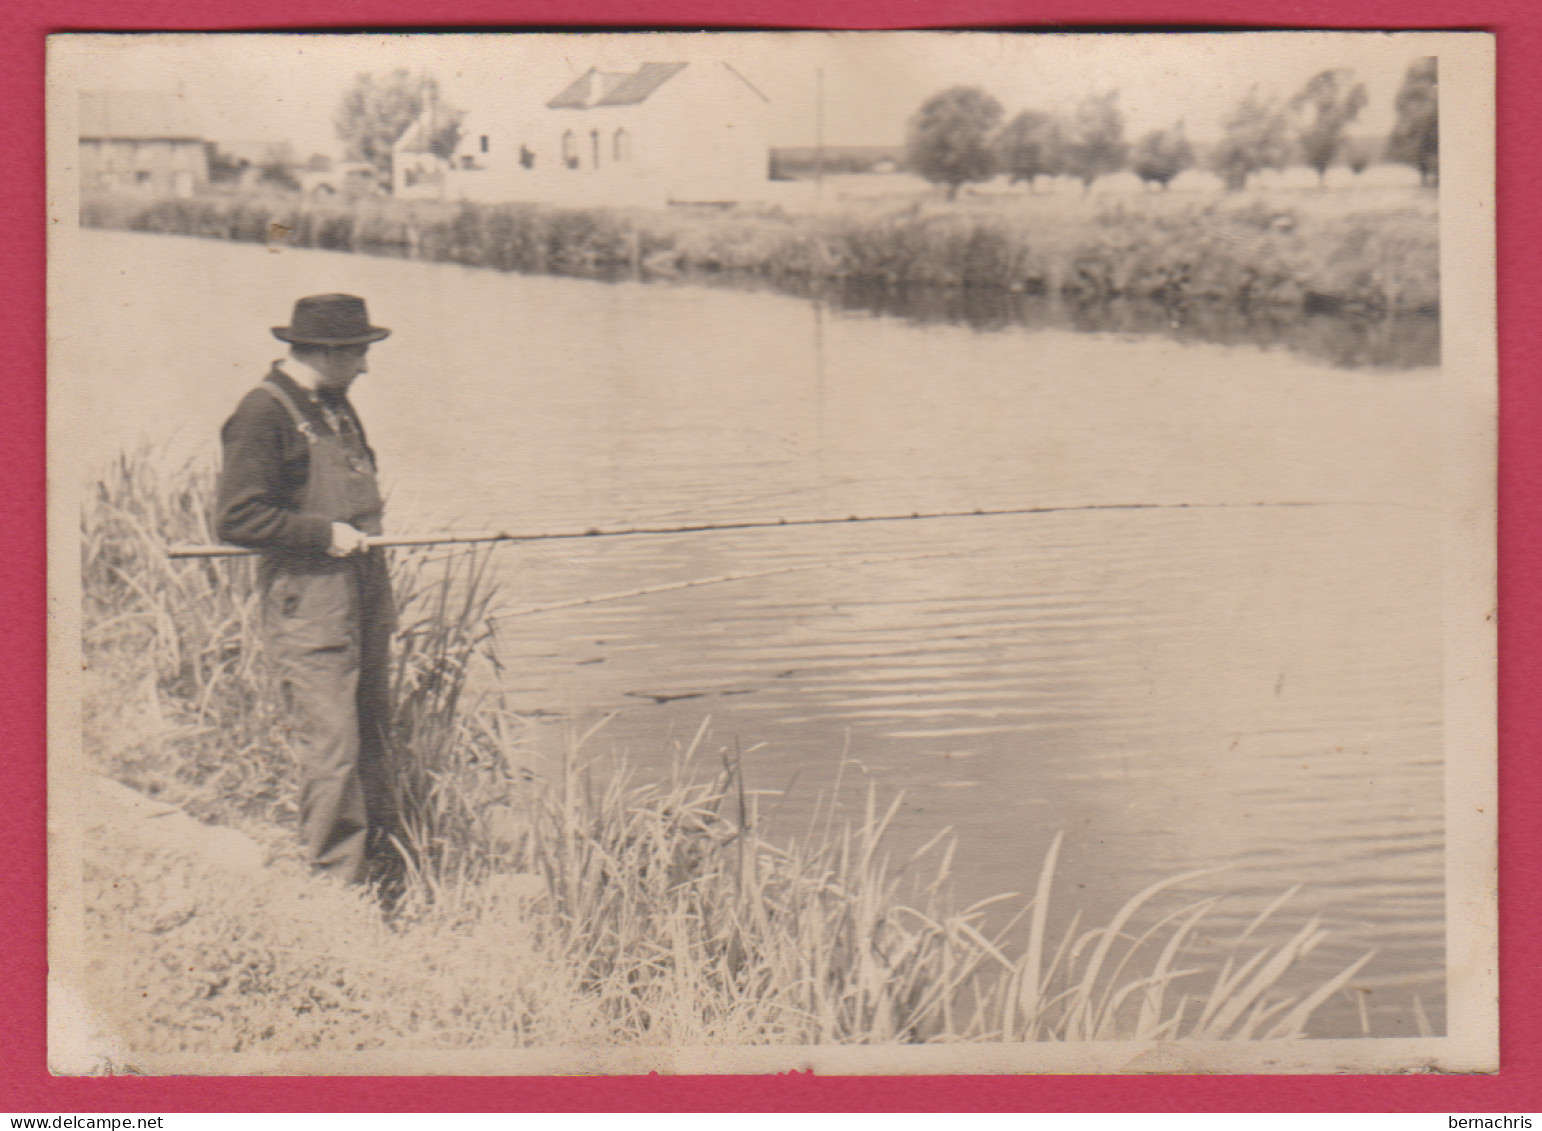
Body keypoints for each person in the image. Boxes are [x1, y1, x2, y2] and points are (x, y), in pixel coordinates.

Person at [215, 294, 398, 889]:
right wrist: (323, 534)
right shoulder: (263, 413)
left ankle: (380, 866)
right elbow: (239, 519)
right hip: (310, 600)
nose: (367, 367)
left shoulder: (336, 407)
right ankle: (333, 888)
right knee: (333, 746)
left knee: (371, 727)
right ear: (327, 351)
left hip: (364, 588)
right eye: (360, 354)